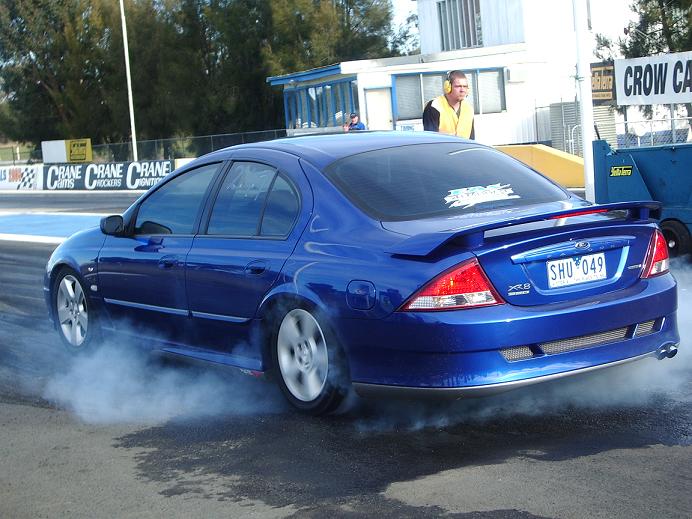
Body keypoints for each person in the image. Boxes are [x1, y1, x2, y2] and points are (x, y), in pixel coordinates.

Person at [422, 70, 475, 139]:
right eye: (458, 86)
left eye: (465, 86)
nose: (462, 90)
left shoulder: (468, 109)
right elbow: (430, 140)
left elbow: (471, 139)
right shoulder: (434, 106)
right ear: (448, 87)